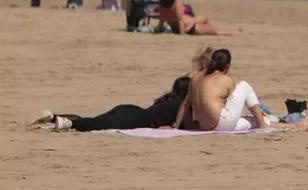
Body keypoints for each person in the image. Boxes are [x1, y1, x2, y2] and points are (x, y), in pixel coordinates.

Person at [173, 49, 308, 131]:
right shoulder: (225, 80)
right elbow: (237, 105)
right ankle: (265, 126)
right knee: (244, 86)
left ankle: (297, 126)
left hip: (206, 126)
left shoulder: (195, 77)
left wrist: (176, 127)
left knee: (252, 121)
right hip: (221, 124)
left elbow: (185, 104)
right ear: (227, 66)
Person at [39, 76, 194, 131]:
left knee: (92, 120)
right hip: (135, 120)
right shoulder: (182, 105)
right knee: (92, 125)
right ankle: (64, 122)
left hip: (129, 109)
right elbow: (187, 126)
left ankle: (53, 117)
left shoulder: (168, 99)